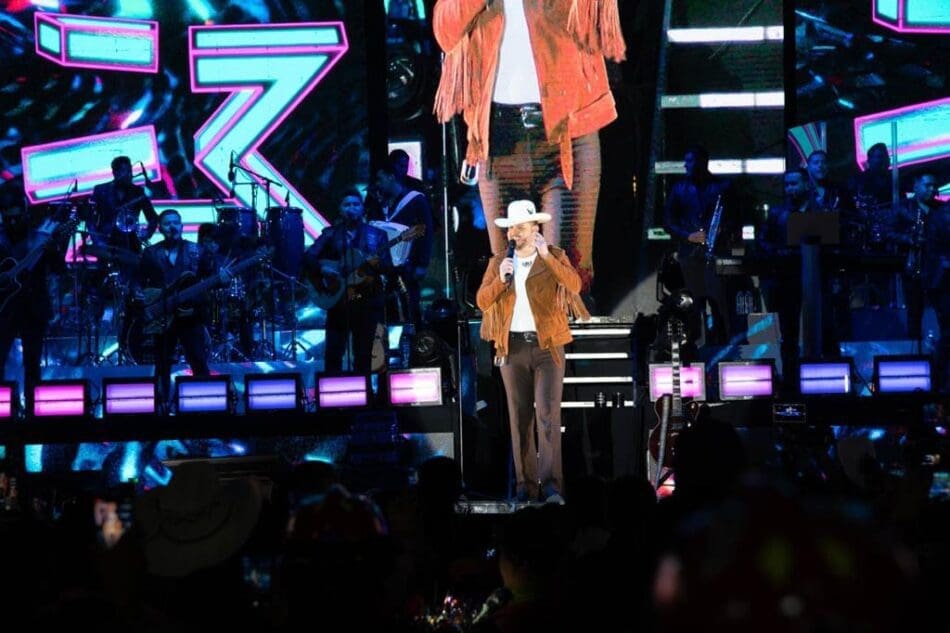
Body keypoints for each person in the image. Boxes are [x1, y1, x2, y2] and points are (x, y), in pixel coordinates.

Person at [433, 0, 626, 297]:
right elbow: (446, 31)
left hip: (564, 136)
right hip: (498, 139)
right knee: (508, 277)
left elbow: (589, 21)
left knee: (567, 272)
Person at [476, 199, 588, 502]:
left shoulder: (554, 256)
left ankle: (551, 486)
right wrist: (500, 279)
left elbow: (574, 285)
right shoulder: (500, 262)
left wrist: (547, 257)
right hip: (512, 347)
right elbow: (482, 301)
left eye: (521, 228)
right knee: (519, 417)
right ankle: (526, 487)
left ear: (535, 228)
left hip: (547, 346)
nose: (514, 233)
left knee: (548, 415)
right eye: (511, 228)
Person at [131, 209, 227, 406]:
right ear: (160, 228)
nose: (172, 227)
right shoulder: (151, 253)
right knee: (162, 365)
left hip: (190, 315)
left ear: (182, 226)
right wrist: (137, 291)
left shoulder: (197, 251)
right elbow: (137, 279)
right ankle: (162, 405)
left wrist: (223, 280)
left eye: (176, 222)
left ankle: (203, 405)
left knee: (198, 361)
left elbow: (211, 278)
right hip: (162, 316)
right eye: (168, 223)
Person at [303, 188, 393, 372]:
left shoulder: (377, 235)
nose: (352, 208)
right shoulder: (330, 234)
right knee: (333, 354)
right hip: (339, 303)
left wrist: (372, 265)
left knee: (364, 355)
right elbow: (308, 258)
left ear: (362, 208)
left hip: (367, 301)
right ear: (340, 209)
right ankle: (333, 389)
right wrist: (323, 268)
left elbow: (387, 265)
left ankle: (365, 389)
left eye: (356, 204)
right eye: (347, 204)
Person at [663, 145, 737, 344]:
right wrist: (688, 236)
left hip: (717, 252)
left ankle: (723, 344)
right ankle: (695, 344)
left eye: (690, 161)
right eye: (686, 161)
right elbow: (668, 221)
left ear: (702, 162)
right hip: (690, 253)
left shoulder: (723, 186)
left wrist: (721, 231)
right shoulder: (679, 188)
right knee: (693, 302)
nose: (686, 166)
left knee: (721, 301)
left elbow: (735, 217)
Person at [0, 189, 67, 409]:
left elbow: (59, 269)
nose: (12, 222)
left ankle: (32, 410)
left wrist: (54, 250)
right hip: (4, 308)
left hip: (33, 307)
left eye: (16, 217)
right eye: (8, 218)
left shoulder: (39, 238)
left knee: (32, 362)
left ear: (25, 213)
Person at [373, 163, 434, 326]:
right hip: (381, 268)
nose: (378, 184)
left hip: (408, 266)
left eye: (380, 179)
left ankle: (414, 336)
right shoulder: (379, 202)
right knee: (385, 313)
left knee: (410, 309)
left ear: (390, 177)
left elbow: (427, 233)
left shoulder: (416, 200)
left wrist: (422, 264)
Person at [890, 172, 941, 340]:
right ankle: (915, 348)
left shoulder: (941, 208)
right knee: (914, 311)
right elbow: (888, 232)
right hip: (914, 266)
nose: (932, 189)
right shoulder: (902, 207)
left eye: (934, 186)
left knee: (943, 311)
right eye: (928, 185)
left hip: (937, 268)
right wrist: (910, 239)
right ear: (916, 186)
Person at [89, 155, 158, 254]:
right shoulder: (101, 190)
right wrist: (97, 241)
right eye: (124, 171)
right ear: (115, 173)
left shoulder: (138, 191)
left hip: (131, 243)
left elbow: (153, 218)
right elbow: (90, 219)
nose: (129, 174)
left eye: (130, 171)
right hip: (106, 242)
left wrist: (147, 233)